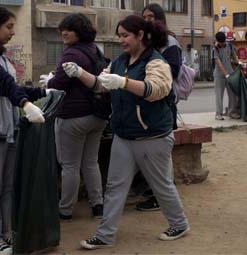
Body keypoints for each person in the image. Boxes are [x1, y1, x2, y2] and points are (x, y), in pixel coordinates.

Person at [62, 15, 189, 249]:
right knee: (115, 186)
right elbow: (101, 83)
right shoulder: (121, 61)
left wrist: (123, 82)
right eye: (119, 36)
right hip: (124, 135)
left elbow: (156, 90)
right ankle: (105, 235)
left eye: (125, 35)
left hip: (152, 136)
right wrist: (79, 72)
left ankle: (179, 224)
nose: (121, 40)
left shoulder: (156, 61)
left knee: (161, 185)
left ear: (140, 35)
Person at [0, 7, 49, 255]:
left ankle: (5, 235)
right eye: (9, 27)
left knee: (7, 188)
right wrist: (25, 105)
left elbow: (15, 88)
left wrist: (41, 92)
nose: (12, 32)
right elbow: (5, 86)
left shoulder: (2, 57)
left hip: (9, 130)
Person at [39, 13, 106, 221]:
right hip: (97, 115)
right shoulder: (95, 50)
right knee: (90, 162)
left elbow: (59, 83)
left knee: (69, 165)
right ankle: (98, 206)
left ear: (80, 31)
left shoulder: (71, 54)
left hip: (73, 116)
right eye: (62, 29)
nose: (64, 33)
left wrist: (49, 81)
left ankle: (65, 210)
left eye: (69, 29)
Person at [134, 2, 183, 212]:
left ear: (160, 18)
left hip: (164, 102)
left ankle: (160, 197)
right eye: (144, 17)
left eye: (151, 16)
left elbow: (172, 72)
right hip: (148, 102)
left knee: (162, 152)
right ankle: (155, 190)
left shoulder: (169, 42)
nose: (147, 20)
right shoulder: (146, 41)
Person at [213, 32, 241, 120]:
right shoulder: (215, 49)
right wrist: (226, 74)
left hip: (231, 74)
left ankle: (232, 112)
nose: (223, 44)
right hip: (219, 75)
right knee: (219, 94)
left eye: (224, 41)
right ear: (217, 41)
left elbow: (234, 56)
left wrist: (238, 64)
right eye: (221, 42)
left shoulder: (230, 46)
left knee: (232, 94)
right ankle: (218, 113)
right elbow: (218, 63)